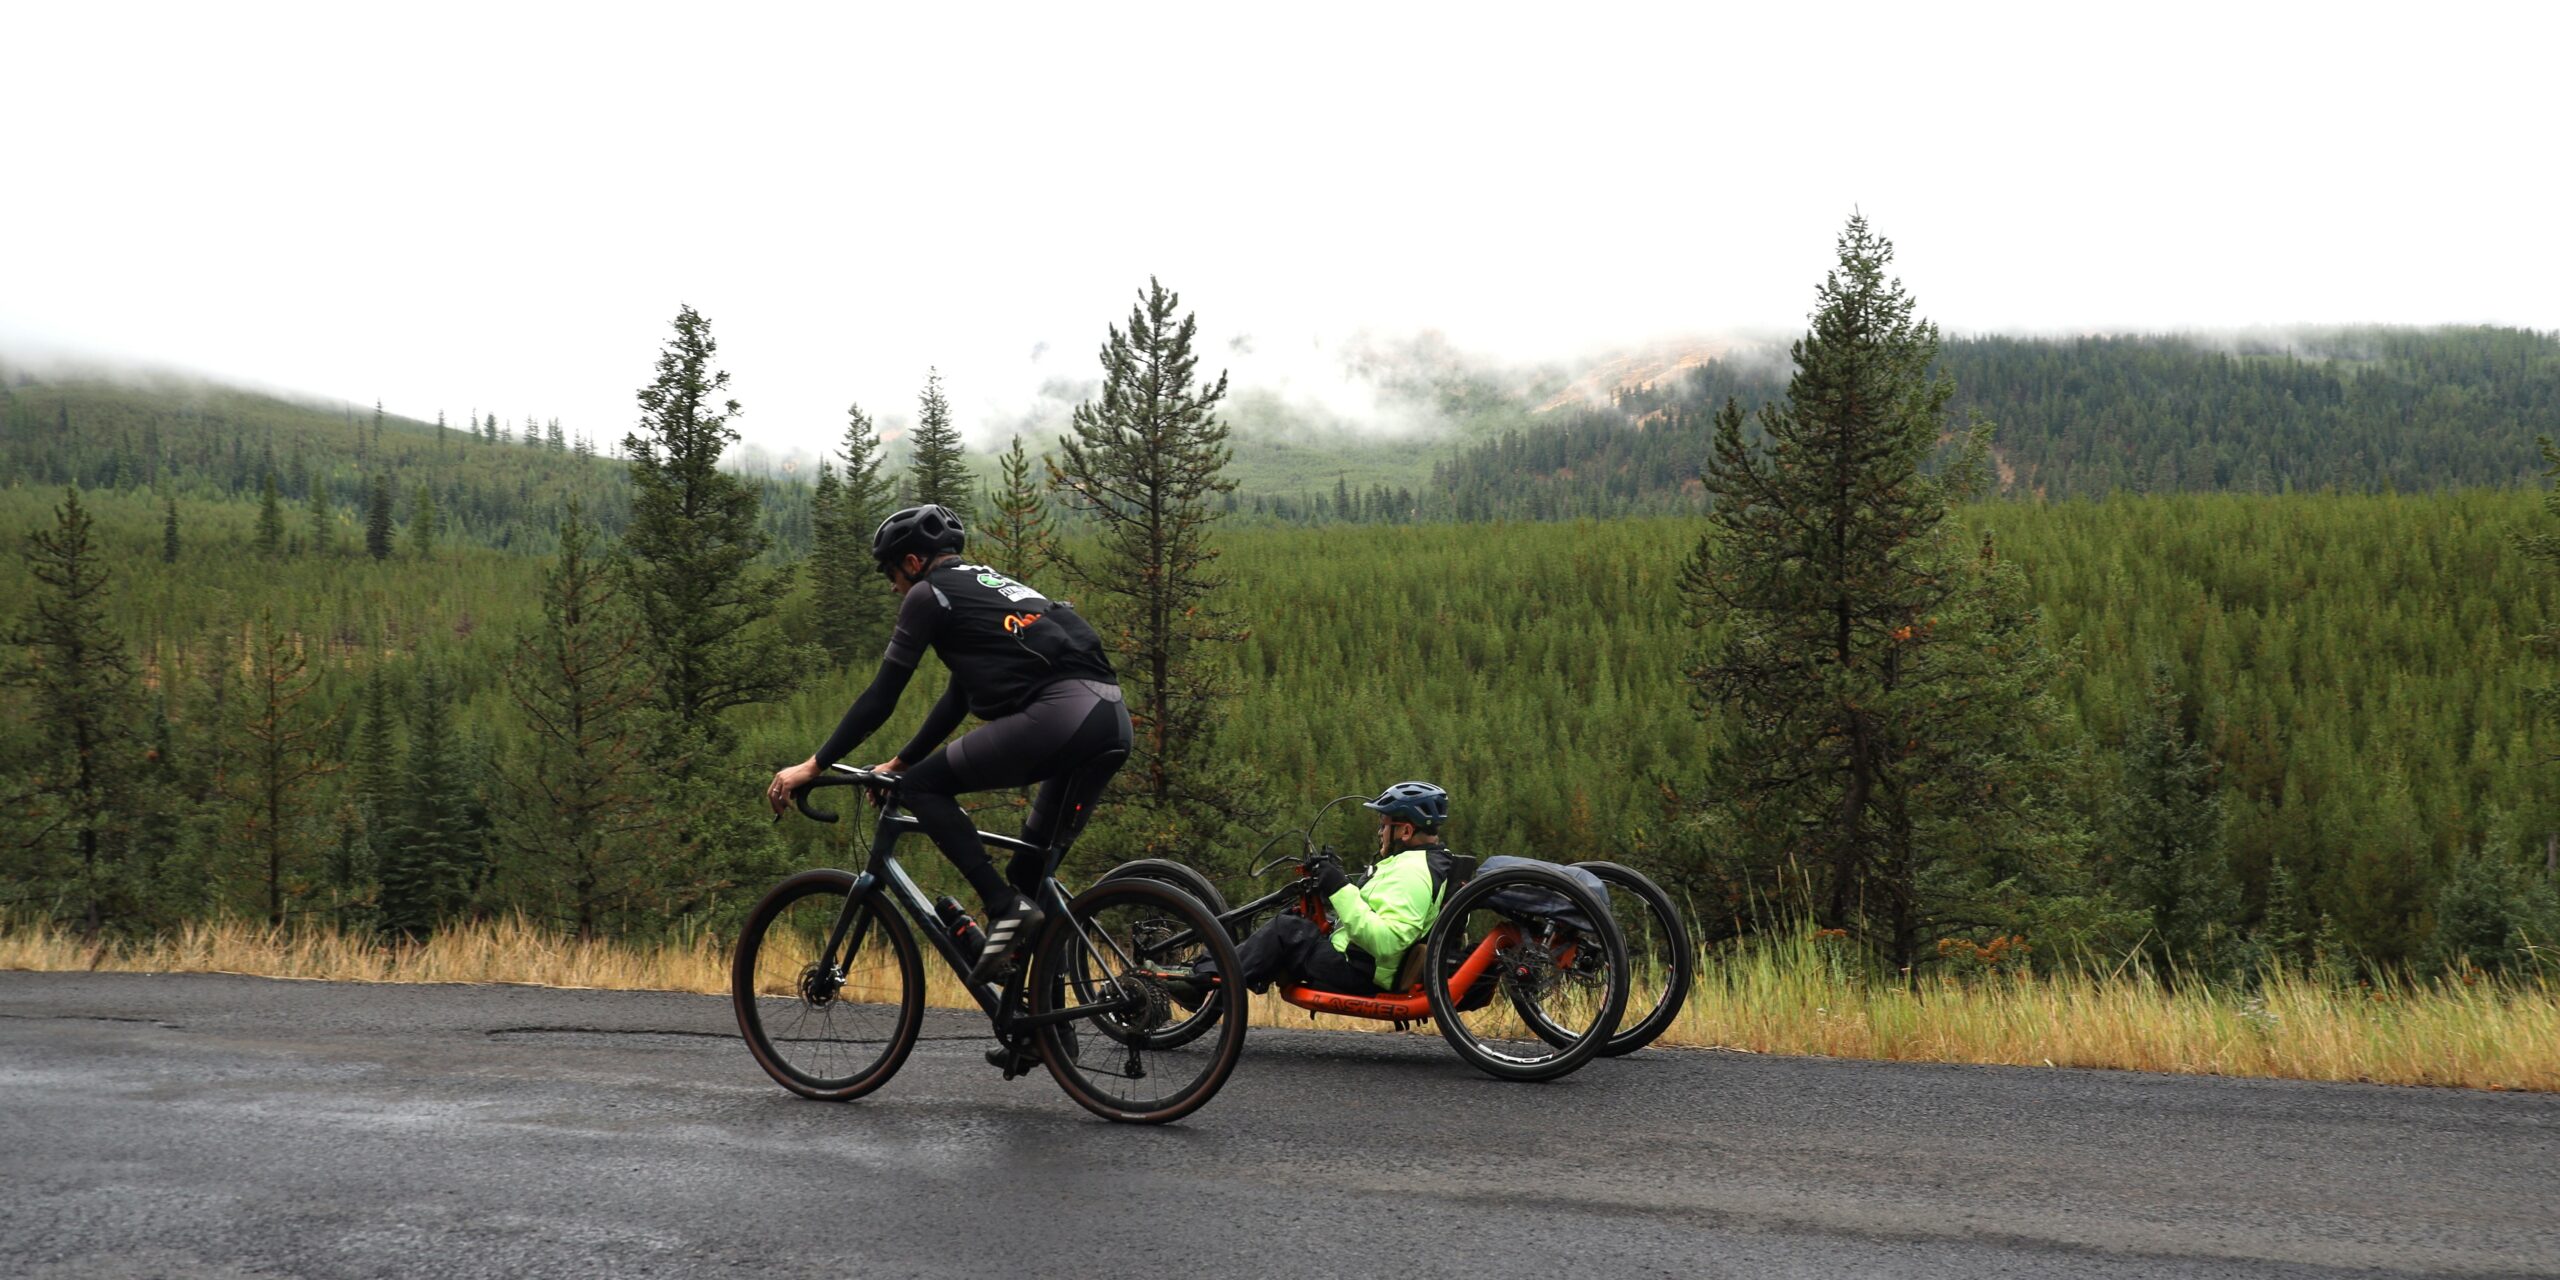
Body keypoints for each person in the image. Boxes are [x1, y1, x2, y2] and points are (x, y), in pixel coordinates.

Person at [765, 504, 1129, 985]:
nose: (893, 587)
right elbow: (958, 696)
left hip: (1062, 715)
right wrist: (899, 759)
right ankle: (1048, 1032)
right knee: (1029, 872)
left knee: (921, 789)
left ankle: (1002, 908)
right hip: (1110, 721)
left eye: (891, 574)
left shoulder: (929, 594)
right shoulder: (985, 587)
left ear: (913, 563)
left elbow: (881, 697)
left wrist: (815, 764)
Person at [1176, 781, 1458, 1001]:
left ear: (1405, 831)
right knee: (1298, 917)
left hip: (1359, 971)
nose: (1380, 832)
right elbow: (1378, 906)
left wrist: (1339, 887)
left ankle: (1200, 981)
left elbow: (1387, 941)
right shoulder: (1422, 862)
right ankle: (1218, 973)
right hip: (1359, 959)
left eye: (1384, 825)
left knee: (1286, 930)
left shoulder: (1413, 872)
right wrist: (1338, 882)